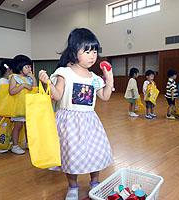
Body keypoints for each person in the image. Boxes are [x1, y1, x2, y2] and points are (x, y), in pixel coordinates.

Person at [38, 28, 113, 200]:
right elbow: (56, 96)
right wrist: (47, 82)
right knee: (71, 155)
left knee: (95, 152)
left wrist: (109, 80)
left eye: (94, 51)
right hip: (69, 122)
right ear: (74, 51)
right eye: (87, 51)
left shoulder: (94, 76)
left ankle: (95, 183)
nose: (92, 56)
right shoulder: (64, 72)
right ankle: (73, 187)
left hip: (89, 120)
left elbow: (105, 97)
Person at [9, 55, 37, 155]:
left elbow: (34, 90)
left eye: (30, 66)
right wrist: (23, 85)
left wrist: (33, 79)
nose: (29, 69)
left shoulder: (29, 78)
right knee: (18, 126)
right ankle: (15, 145)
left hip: (28, 106)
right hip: (19, 107)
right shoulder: (14, 77)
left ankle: (29, 143)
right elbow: (11, 91)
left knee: (28, 126)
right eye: (26, 67)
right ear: (20, 67)